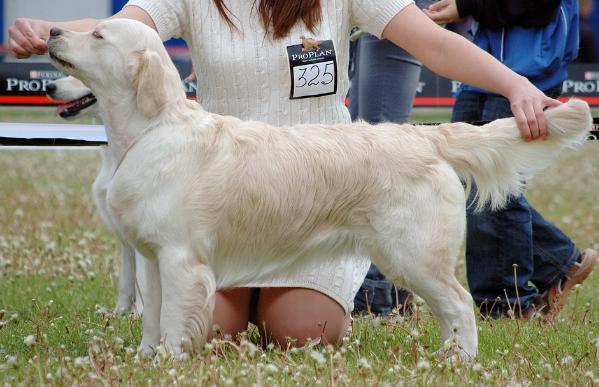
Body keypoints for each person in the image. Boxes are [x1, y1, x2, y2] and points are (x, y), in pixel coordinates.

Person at [9, 0, 567, 346]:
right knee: (206, 332)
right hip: (219, 191)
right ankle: (238, 297)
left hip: (318, 190)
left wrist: (515, 85)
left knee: (303, 334)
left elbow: (434, 43)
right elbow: (120, 26)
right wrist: (51, 31)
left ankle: (446, 328)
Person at [426, 0, 598, 319]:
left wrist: (466, 5)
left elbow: (534, 6)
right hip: (484, 66)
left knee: (494, 185)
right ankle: (559, 262)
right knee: (465, 178)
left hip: (525, 70)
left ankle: (507, 303)